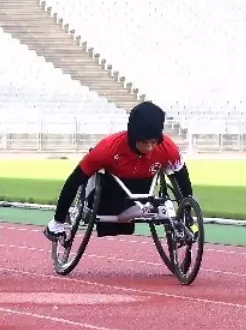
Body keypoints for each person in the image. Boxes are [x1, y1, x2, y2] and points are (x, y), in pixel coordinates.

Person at [43, 100, 192, 242]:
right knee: (96, 180)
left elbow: (183, 181)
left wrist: (187, 214)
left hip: (143, 194)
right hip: (109, 195)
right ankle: (79, 211)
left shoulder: (168, 148)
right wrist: (58, 221)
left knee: (161, 204)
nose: (150, 147)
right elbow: (74, 181)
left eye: (154, 142)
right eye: (144, 142)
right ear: (133, 136)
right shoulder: (108, 148)